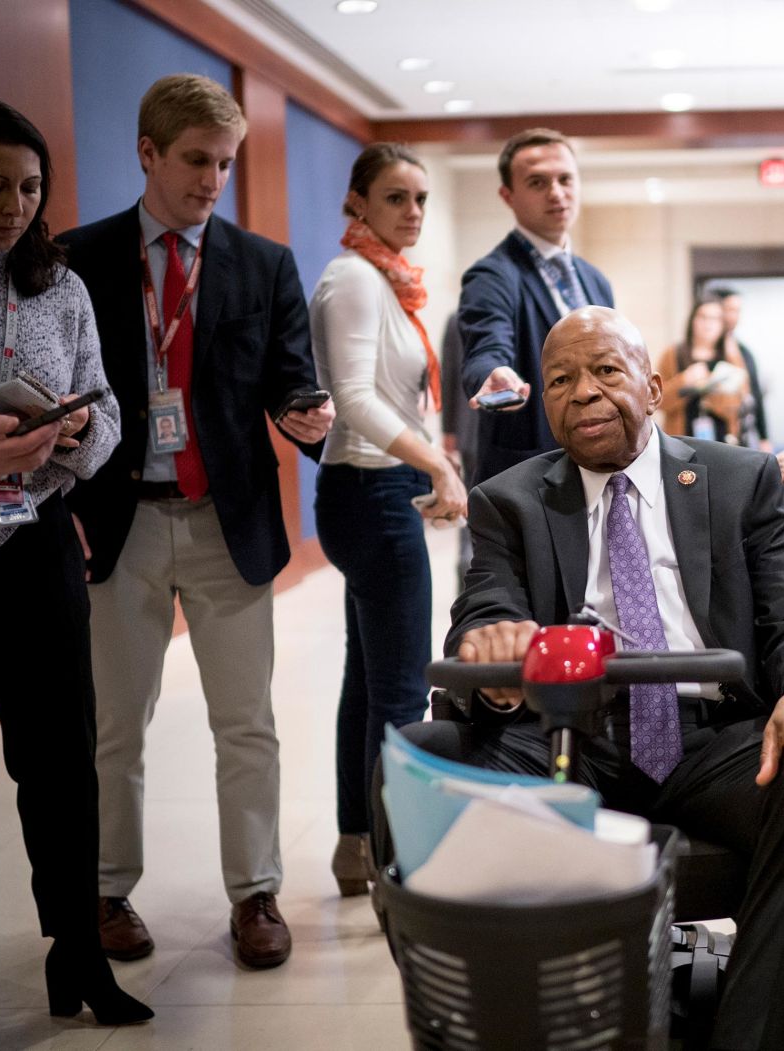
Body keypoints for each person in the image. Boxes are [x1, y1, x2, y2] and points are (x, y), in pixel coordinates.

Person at [441, 306, 784, 1050]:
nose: (583, 393)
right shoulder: (506, 501)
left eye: (605, 371)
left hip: (713, 732)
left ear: (652, 385)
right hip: (566, 734)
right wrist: (495, 656)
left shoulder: (739, 479)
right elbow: (485, 608)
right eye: (561, 380)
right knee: (450, 784)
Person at [59, 74, 335, 971]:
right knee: (115, 724)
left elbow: (290, 372)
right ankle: (106, 890)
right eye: (195, 160)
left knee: (245, 720)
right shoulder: (77, 258)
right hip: (117, 520)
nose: (214, 179)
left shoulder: (262, 263)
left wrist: (306, 412)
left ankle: (255, 891)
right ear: (147, 153)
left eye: (225, 162)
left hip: (228, 517)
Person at [0, 96, 149, 1048]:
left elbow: (115, 411)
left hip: (41, 549)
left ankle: (75, 953)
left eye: (32, 187)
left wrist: (81, 430)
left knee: (61, 765)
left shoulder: (63, 286)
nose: (16, 205)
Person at [309, 143, 468, 897]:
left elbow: (399, 400)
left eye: (421, 199)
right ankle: (399, 857)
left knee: (369, 679)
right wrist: (435, 464)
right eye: (396, 197)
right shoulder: (353, 279)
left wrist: (435, 457)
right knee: (402, 688)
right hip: (370, 488)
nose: (411, 212)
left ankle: (359, 844)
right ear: (358, 203)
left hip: (377, 483)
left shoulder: (387, 283)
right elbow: (356, 401)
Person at [458, 128, 613, 483]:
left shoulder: (595, 280)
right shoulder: (491, 275)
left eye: (565, 179)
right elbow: (485, 347)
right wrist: (492, 374)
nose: (556, 193)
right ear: (507, 195)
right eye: (537, 183)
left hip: (597, 466)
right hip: (527, 475)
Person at [656, 292, 755, 445]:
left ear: (722, 324)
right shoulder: (673, 354)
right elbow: (657, 400)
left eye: (715, 319)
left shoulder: (731, 356)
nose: (708, 323)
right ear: (692, 320)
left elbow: (740, 402)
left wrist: (709, 389)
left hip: (723, 442)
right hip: (680, 443)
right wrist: (684, 380)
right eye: (702, 317)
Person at [712, 286, 772, 451]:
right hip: (715, 436)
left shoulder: (745, 352)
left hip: (744, 433)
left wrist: (764, 437)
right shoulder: (707, 353)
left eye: (738, 310)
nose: (734, 316)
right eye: (729, 309)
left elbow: (756, 396)